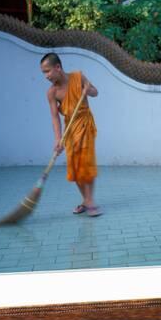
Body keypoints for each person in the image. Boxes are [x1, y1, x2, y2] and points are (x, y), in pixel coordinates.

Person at [40, 53, 102, 217]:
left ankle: (90, 201)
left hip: (85, 124)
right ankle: (87, 200)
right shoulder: (52, 93)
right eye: (43, 73)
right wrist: (58, 139)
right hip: (70, 129)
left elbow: (96, 92)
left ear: (58, 68)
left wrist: (88, 90)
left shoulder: (78, 76)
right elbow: (55, 117)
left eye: (47, 71)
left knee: (86, 165)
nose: (46, 76)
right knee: (75, 168)